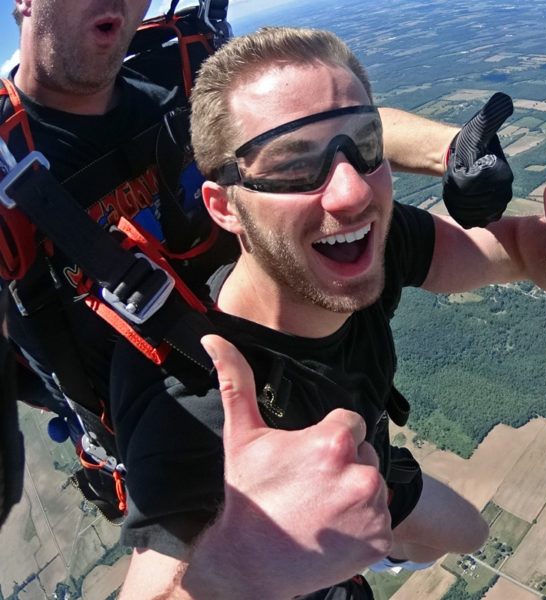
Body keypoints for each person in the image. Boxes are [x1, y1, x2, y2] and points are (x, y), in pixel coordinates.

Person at [109, 26, 546, 599]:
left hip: (375, 463)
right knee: (463, 530)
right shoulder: (194, 398)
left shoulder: (371, 249)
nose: (352, 194)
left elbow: (520, 247)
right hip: (268, 518)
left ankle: (377, 529)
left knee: (465, 534)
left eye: (364, 147)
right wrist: (237, 567)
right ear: (224, 207)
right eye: (293, 165)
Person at [2, 0, 512, 527]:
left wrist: (451, 151)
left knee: (465, 531)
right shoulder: (6, 164)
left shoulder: (179, 73)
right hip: (188, 453)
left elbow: (317, 130)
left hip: (301, 372)